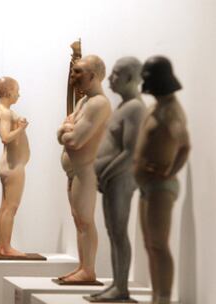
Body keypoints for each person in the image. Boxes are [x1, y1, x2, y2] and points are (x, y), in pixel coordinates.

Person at [89, 57, 146, 301]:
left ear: (131, 78)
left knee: (119, 232)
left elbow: (130, 151)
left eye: (116, 74)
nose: (111, 79)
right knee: (113, 232)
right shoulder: (123, 107)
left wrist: (106, 172)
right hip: (111, 179)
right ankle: (117, 283)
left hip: (120, 179)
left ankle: (121, 286)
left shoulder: (135, 108)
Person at [134, 56, 190, 304]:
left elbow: (185, 146)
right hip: (147, 186)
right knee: (150, 244)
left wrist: (169, 171)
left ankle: (164, 298)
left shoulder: (171, 111)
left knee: (158, 244)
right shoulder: (155, 108)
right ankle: (157, 295)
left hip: (160, 188)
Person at [57, 55, 111, 282]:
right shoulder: (83, 102)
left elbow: (75, 140)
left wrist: (66, 129)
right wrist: (65, 129)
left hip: (86, 170)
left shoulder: (99, 104)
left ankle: (88, 270)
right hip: (75, 171)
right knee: (79, 219)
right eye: (73, 71)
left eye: (78, 71)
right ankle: (83, 267)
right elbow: (64, 134)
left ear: (93, 75)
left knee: (85, 219)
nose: (73, 76)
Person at [0, 77, 30, 256]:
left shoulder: (3, 111)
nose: (19, 94)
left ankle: (2, 246)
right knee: (11, 207)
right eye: (17, 91)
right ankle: (6, 247)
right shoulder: (5, 113)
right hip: (12, 165)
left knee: (5, 206)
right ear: (9, 92)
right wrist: (21, 129)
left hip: (10, 163)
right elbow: (5, 137)